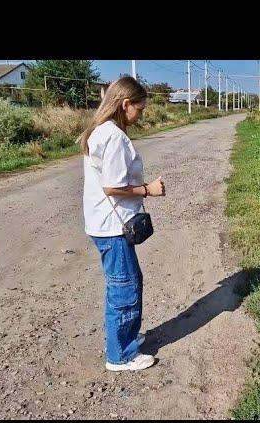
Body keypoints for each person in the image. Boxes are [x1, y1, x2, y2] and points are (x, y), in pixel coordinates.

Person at [79, 76, 165, 371]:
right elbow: (112, 187)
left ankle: (124, 337)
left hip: (102, 223)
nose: (140, 116)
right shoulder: (113, 136)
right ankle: (121, 355)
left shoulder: (100, 131)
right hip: (111, 227)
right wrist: (148, 190)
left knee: (123, 283)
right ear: (125, 104)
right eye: (139, 110)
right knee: (125, 287)